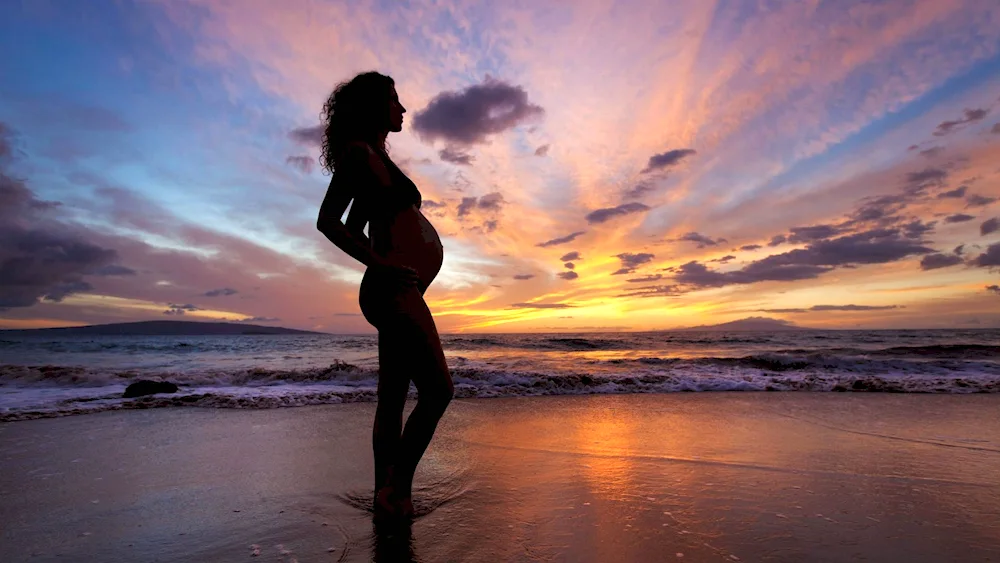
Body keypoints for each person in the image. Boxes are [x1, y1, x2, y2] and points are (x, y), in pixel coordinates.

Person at [316, 71, 453, 520]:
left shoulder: (374, 157)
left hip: (399, 288)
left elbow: (358, 227)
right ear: (375, 105)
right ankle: (398, 489)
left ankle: (384, 495)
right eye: (395, 100)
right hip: (391, 290)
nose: (403, 108)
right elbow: (329, 222)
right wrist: (384, 263)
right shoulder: (358, 153)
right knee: (438, 390)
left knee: (393, 397)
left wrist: (385, 259)